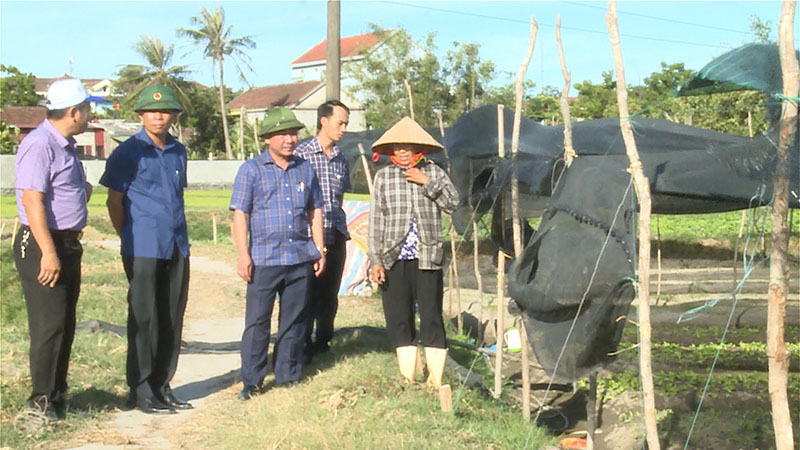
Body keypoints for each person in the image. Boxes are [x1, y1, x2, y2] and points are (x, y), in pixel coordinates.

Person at [100, 84, 191, 415]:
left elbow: (177, 197)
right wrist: (128, 235)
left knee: (170, 316)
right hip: (143, 246)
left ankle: (162, 385)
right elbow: (114, 200)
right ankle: (139, 389)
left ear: (174, 116)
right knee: (144, 317)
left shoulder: (179, 151)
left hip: (177, 243)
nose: (159, 115)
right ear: (141, 115)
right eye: (153, 111)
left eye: (166, 111)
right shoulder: (129, 152)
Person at [13, 78, 100, 422]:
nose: (90, 113)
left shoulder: (65, 145)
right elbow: (31, 199)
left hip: (65, 242)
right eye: (88, 108)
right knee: (49, 324)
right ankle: (40, 402)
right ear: (74, 112)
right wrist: (48, 252)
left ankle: (57, 397)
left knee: (64, 321)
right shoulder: (40, 144)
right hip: (42, 243)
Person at [230, 107, 326, 400]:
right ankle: (253, 380)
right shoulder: (251, 169)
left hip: (299, 257)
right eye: (283, 133)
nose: (290, 139)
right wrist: (243, 255)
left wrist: (319, 249)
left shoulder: (305, 168)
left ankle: (287, 376)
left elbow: (315, 210)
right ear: (267, 137)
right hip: (264, 259)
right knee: (258, 321)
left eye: (294, 133)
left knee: (295, 321)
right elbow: (240, 214)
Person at [367, 117, 459, 388]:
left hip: (427, 256)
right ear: (391, 151)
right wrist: (376, 260)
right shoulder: (384, 177)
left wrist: (426, 181)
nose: (402, 152)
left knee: (431, 315)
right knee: (398, 316)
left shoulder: (435, 172)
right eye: (397, 148)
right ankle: (409, 376)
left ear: (419, 148)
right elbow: (376, 221)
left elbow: (453, 203)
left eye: (407, 147)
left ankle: (436, 378)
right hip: (394, 257)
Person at [294, 100, 351, 363]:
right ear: (323, 121)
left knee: (330, 293)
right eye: (340, 123)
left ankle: (323, 342)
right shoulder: (301, 154)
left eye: (346, 124)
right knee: (307, 293)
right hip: (307, 235)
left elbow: (339, 197)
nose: (343, 129)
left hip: (335, 232)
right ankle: (301, 346)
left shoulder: (341, 159)